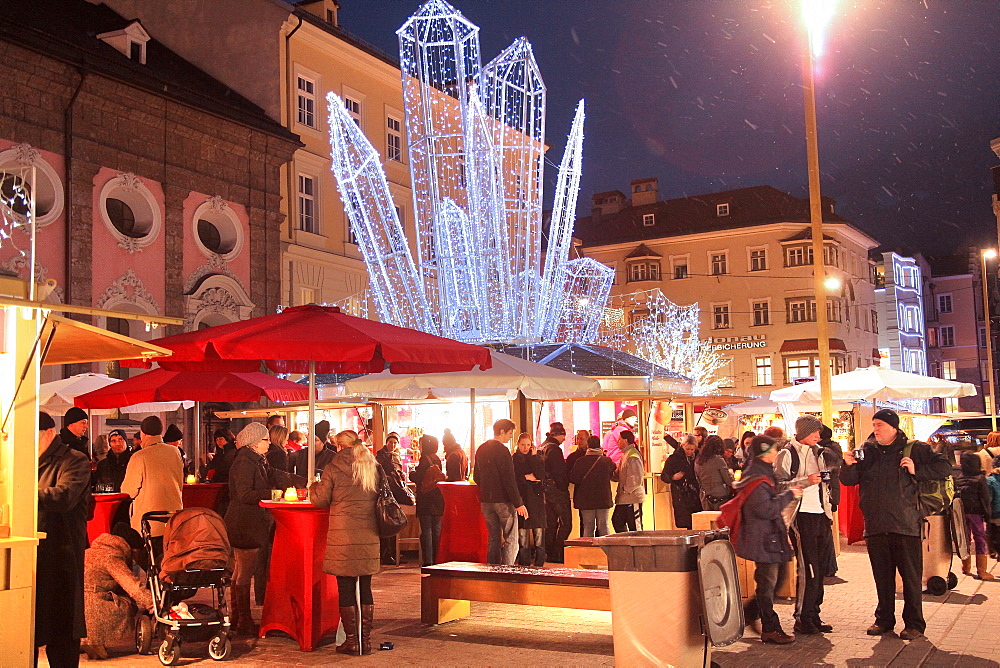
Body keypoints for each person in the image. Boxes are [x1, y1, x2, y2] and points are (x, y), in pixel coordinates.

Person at [841, 408, 952, 641]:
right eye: (874, 424)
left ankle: (914, 624)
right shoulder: (867, 451)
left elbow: (944, 467)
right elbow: (849, 481)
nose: (876, 429)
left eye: (880, 424)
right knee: (882, 577)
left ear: (894, 427)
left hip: (906, 522)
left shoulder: (916, 448)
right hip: (875, 523)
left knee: (911, 578)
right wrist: (848, 464)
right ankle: (884, 620)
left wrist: (917, 469)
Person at [224, 423, 302, 637]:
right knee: (244, 570)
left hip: (249, 522)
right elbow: (244, 494)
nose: (270, 442)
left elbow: (275, 474)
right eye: (266, 439)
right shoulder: (245, 463)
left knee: (241, 570)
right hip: (244, 523)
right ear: (255, 442)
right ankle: (243, 620)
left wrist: (299, 482)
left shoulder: (256, 460)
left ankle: (238, 618)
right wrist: (272, 493)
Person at [309, 431, 381, 655]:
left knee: (346, 587)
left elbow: (320, 500)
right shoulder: (372, 466)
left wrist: (313, 486)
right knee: (365, 586)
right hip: (369, 533)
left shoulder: (333, 467)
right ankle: (366, 640)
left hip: (344, 536)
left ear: (339, 446)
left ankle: (352, 641)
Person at [36, 410, 91, 667]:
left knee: (63, 626)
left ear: (48, 434)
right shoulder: (25, 462)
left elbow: (64, 496)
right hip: (33, 554)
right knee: (30, 626)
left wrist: (24, 491)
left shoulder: (74, 460)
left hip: (63, 553)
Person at [736, 435, 803, 645]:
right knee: (768, 584)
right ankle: (769, 628)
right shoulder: (756, 476)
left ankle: (751, 615)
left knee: (775, 579)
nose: (776, 453)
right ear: (764, 453)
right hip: (763, 538)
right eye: (773, 450)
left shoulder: (762, 472)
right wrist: (790, 494)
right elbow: (766, 509)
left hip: (769, 537)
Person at [774, 415, 832, 635]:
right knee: (808, 568)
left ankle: (814, 614)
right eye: (816, 431)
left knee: (820, 568)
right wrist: (807, 480)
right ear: (804, 432)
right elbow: (778, 486)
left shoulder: (819, 452)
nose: (819, 435)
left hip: (820, 514)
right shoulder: (787, 454)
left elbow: (825, 483)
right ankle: (802, 618)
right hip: (801, 515)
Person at [80, 524, 152, 660]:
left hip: (74, 607)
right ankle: (94, 641)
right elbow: (132, 585)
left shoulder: (90, 551)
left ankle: (83, 639)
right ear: (131, 548)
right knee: (128, 603)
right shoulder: (111, 556)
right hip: (93, 607)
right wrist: (153, 604)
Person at [121, 416, 183, 560]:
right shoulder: (175, 452)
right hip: (172, 518)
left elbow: (128, 490)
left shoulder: (139, 456)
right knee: (169, 560)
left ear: (143, 433)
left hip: (148, 522)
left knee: (151, 561)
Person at [473, 419, 528, 565]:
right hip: (503, 501)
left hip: (486, 501)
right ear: (502, 432)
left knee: (493, 538)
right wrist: (518, 503)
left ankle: (493, 570)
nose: (510, 437)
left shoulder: (481, 449)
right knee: (511, 538)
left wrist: (487, 488)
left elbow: (476, 476)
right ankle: (507, 572)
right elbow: (509, 479)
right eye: (510, 433)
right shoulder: (503, 451)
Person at [568, 435, 616, 538]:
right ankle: (605, 551)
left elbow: (573, 478)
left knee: (588, 527)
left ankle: (587, 552)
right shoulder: (606, 461)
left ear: (588, 446)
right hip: (603, 498)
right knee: (603, 526)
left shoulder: (580, 461)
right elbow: (613, 474)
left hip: (586, 499)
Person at [956, 452, 995, 580]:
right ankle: (981, 571)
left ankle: (965, 567)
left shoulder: (959, 477)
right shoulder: (980, 478)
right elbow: (985, 499)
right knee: (979, 539)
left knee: (964, 539)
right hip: (976, 513)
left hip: (961, 513)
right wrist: (988, 516)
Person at [512, 432, 547, 566]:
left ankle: (539, 564)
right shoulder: (514, 459)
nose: (525, 448)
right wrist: (526, 477)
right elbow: (513, 479)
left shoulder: (536, 458)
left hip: (536, 500)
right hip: (522, 499)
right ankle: (524, 563)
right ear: (518, 444)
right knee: (523, 536)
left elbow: (540, 475)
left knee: (539, 535)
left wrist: (533, 457)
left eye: (528, 445)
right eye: (522, 445)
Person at [539, 422, 572, 563]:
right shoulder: (555, 450)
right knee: (566, 523)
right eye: (564, 436)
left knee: (551, 524)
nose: (564, 439)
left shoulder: (542, 446)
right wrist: (564, 486)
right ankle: (558, 553)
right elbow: (559, 473)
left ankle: (549, 553)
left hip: (545, 490)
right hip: (557, 491)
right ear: (559, 435)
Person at [410, 434, 445, 566]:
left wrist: (412, 473)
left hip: (426, 500)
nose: (419, 446)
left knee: (427, 531)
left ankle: (428, 560)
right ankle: (437, 559)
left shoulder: (424, 459)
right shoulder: (437, 458)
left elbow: (418, 477)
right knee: (436, 530)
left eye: (421, 444)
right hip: (437, 499)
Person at [818, 425, 844, 577]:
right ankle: (829, 566)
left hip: (829, 494)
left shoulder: (826, 451)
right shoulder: (832, 449)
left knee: (826, 531)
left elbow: (828, 472)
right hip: (831, 494)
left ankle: (829, 566)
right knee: (826, 531)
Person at [660, 434, 701, 529]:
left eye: (692, 449)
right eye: (688, 449)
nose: (690, 452)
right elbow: (664, 475)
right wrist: (673, 477)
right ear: (682, 446)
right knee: (685, 520)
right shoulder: (674, 459)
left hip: (696, 493)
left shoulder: (699, 458)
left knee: (697, 520)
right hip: (681, 493)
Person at [611, 430, 645, 532]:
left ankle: (638, 546)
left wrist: (626, 489)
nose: (617, 441)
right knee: (617, 521)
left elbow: (635, 477)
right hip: (624, 497)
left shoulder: (633, 455)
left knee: (634, 526)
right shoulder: (625, 454)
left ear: (625, 440)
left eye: (619, 439)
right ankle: (625, 544)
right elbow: (620, 473)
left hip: (632, 497)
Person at [695, 435, 735, 510]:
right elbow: (729, 481)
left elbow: (698, 479)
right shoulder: (718, 460)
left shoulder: (698, 461)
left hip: (705, 496)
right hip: (721, 496)